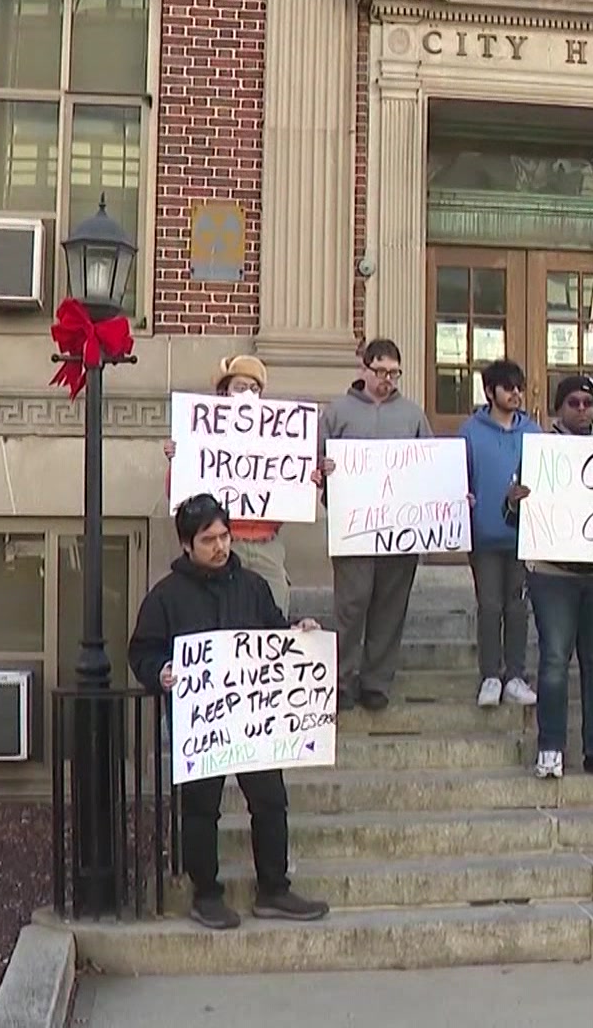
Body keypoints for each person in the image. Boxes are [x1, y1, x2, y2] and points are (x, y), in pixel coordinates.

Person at [129, 493, 332, 930]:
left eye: (225, 536)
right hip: (201, 723)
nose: (221, 546)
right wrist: (160, 672)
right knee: (201, 806)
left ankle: (274, 889)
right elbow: (142, 651)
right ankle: (206, 894)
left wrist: (299, 636)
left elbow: (274, 635)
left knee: (271, 800)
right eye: (209, 539)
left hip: (253, 722)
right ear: (187, 545)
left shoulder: (252, 586)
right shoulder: (166, 597)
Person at [507, 375, 593, 780]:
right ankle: (550, 747)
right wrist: (514, 502)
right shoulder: (539, 453)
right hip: (552, 573)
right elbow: (512, 517)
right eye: (574, 403)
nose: (582, 410)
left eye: (588, 403)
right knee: (553, 662)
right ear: (560, 408)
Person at [320, 338, 434, 711]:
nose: (387, 379)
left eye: (393, 373)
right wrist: (324, 473)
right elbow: (314, 465)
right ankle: (342, 679)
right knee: (351, 605)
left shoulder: (413, 415)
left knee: (390, 606)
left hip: (400, 531)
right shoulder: (336, 413)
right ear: (363, 369)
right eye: (380, 371)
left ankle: (376, 681)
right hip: (353, 529)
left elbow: (431, 467)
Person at [162, 354, 315, 615]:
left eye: (254, 390)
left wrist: (307, 480)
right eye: (240, 388)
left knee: (274, 616)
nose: (248, 396)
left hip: (267, 545)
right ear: (224, 393)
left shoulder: (278, 439)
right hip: (223, 544)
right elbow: (178, 498)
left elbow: (291, 491)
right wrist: (179, 459)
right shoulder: (203, 436)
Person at [459, 358, 540, 709]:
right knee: (489, 605)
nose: (516, 393)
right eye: (508, 387)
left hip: (524, 537)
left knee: (518, 607)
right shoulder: (470, 432)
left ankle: (516, 675)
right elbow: (456, 478)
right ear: (490, 392)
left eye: (519, 386)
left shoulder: (534, 433)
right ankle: (490, 674)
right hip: (485, 535)